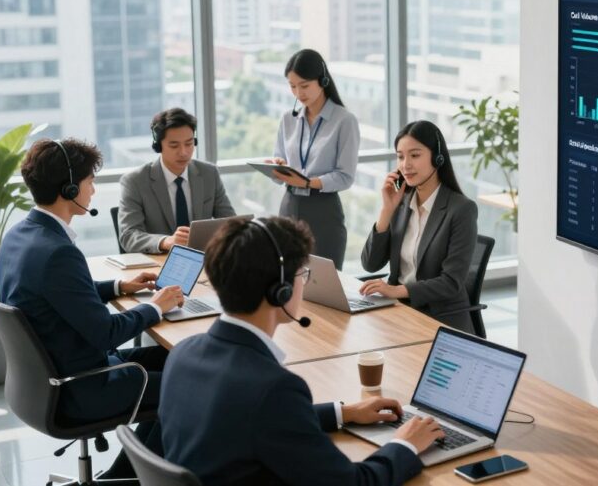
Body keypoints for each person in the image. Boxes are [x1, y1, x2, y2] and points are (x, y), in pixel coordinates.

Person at [160, 216, 443, 486]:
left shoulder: (183, 354)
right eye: (302, 275)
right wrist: (405, 444)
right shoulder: (273, 389)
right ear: (280, 291)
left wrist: (343, 413)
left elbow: (252, 419)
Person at [0, 138, 185, 477]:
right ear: (69, 189)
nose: (93, 191)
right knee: (191, 386)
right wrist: (156, 307)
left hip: (46, 379)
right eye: (89, 182)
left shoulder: (21, 236)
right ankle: (134, 478)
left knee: (177, 359)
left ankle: (122, 475)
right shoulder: (58, 253)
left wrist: (118, 287)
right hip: (81, 385)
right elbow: (105, 332)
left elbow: (58, 296)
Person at [359, 121, 478, 334]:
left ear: (437, 157)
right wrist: (387, 210)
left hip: (439, 319)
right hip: (399, 312)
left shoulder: (461, 210)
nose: (405, 165)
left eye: (415, 155)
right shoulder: (401, 203)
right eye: (400, 156)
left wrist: (397, 290)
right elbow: (370, 264)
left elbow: (451, 282)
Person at [267, 49, 360, 269]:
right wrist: (278, 166)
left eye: (304, 85)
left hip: (323, 210)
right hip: (289, 207)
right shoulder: (288, 120)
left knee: (323, 284)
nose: (299, 92)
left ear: (323, 80)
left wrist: (309, 183)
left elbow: (345, 176)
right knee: (286, 278)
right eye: (292, 86)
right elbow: (280, 156)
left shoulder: (344, 120)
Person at [118, 107, 236, 254]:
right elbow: (128, 235)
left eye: (189, 143)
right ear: (158, 145)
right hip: (157, 264)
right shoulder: (134, 181)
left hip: (203, 261)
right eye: (174, 145)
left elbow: (231, 223)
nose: (183, 152)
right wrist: (165, 242)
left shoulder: (209, 174)